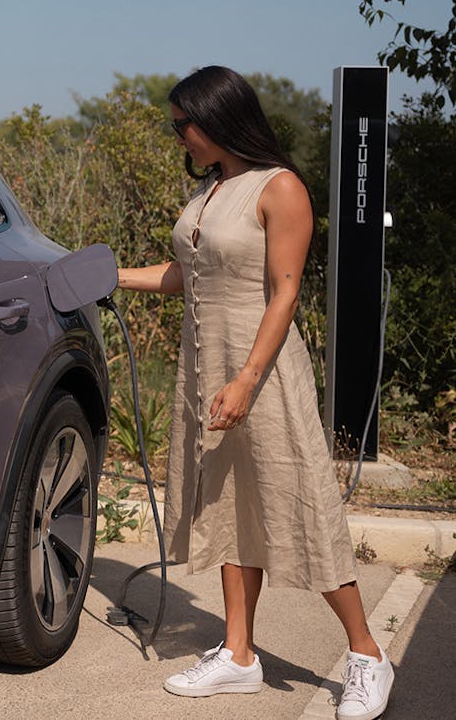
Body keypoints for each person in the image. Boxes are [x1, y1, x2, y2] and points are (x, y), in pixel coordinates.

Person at [116, 66, 394, 720]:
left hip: (260, 372)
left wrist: (244, 379)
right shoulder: (213, 191)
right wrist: (108, 272)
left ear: (217, 118)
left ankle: (367, 656)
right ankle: (239, 656)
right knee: (230, 506)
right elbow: (184, 276)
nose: (177, 134)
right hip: (207, 369)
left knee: (300, 503)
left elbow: (285, 292)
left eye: (183, 122)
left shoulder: (280, 187)